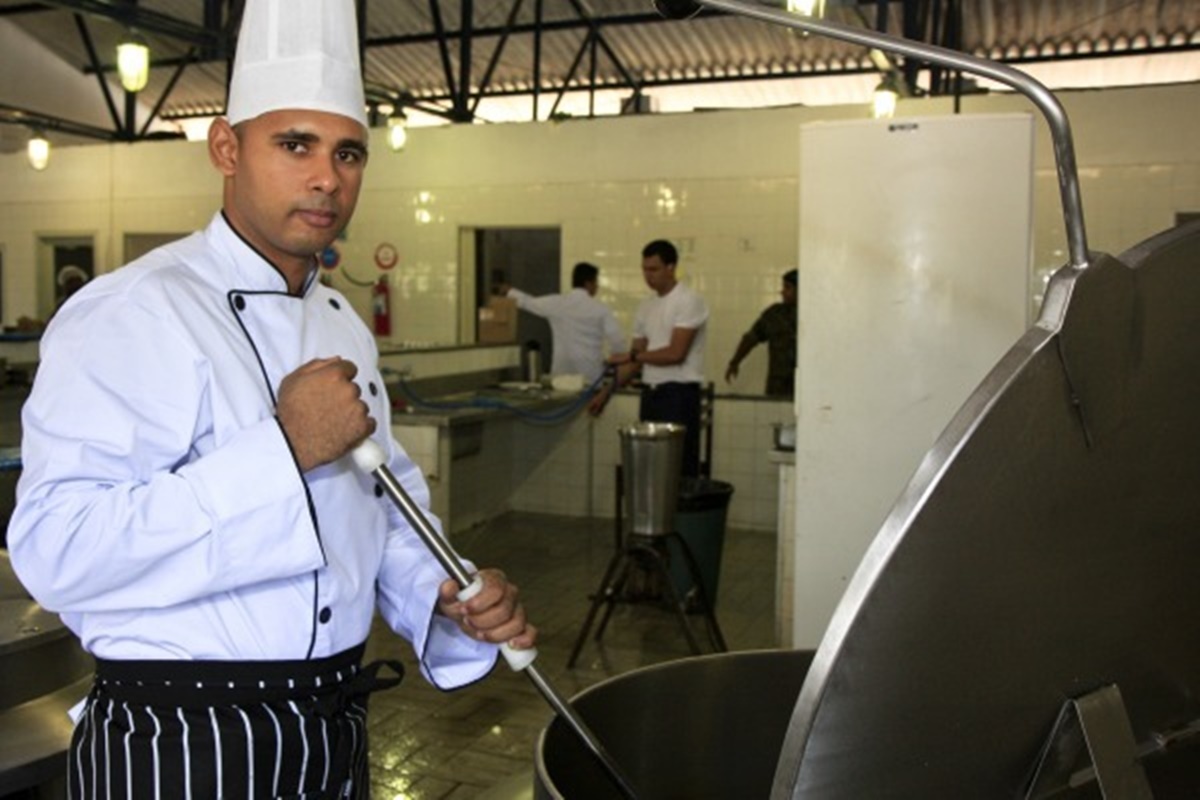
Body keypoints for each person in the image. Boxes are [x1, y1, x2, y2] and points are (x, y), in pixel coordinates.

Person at [7, 1, 534, 798]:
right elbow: (58, 551)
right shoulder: (134, 310)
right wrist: (283, 450)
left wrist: (444, 592)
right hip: (177, 741)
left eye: (349, 152)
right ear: (226, 146)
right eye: (295, 145)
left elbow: (375, 515)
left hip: (329, 729)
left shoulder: (343, 325)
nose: (327, 177)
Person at [595, 239, 709, 477]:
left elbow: (675, 353)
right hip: (651, 393)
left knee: (679, 468)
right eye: (644, 269)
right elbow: (635, 361)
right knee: (651, 467)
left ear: (671, 267)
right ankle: (654, 515)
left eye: (654, 269)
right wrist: (606, 393)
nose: (648, 276)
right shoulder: (645, 306)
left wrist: (634, 355)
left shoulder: (688, 300)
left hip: (679, 393)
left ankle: (681, 514)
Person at [497, 262, 627, 384]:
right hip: (591, 378)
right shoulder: (601, 309)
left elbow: (528, 302)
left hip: (562, 379)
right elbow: (618, 342)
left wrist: (509, 291)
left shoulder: (557, 304)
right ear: (588, 283)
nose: (597, 286)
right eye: (596, 282)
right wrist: (613, 361)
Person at [724, 268, 797, 397]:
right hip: (778, 387)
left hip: (806, 386)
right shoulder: (775, 315)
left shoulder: (816, 316)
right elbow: (751, 339)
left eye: (788, 288)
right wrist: (734, 362)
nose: (782, 292)